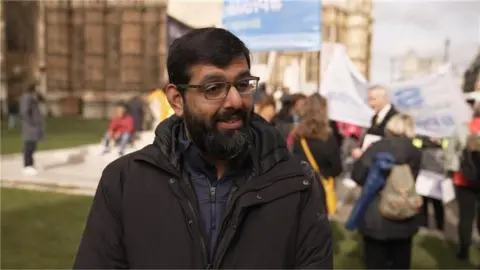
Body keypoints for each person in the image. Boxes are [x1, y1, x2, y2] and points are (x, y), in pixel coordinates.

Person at [74, 27, 333, 269]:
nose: (234, 101)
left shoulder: (296, 183)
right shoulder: (124, 181)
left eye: (242, 84)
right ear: (177, 100)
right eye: (214, 88)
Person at [351, 114, 422, 269]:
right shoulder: (415, 152)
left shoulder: (377, 147)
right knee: (400, 262)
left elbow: (358, 175)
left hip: (376, 214)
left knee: (375, 263)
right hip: (405, 210)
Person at [291, 94, 342, 216]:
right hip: (322, 188)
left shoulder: (298, 135)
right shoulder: (328, 138)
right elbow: (337, 168)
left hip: (302, 187)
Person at [444, 98, 480, 261]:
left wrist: (451, 171)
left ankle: (464, 250)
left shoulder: (462, 129)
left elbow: (450, 152)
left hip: (464, 179)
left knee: (465, 216)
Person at [351, 85, 398, 159]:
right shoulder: (375, 117)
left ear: (383, 98)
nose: (370, 104)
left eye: (373, 99)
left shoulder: (395, 118)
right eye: (369, 100)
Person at [19, 84, 45, 176]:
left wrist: (39, 94)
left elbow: (43, 99)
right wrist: (32, 123)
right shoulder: (27, 97)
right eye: (38, 87)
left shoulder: (33, 97)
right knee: (29, 146)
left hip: (34, 127)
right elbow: (24, 112)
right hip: (30, 127)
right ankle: (27, 166)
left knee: (32, 146)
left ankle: (31, 165)